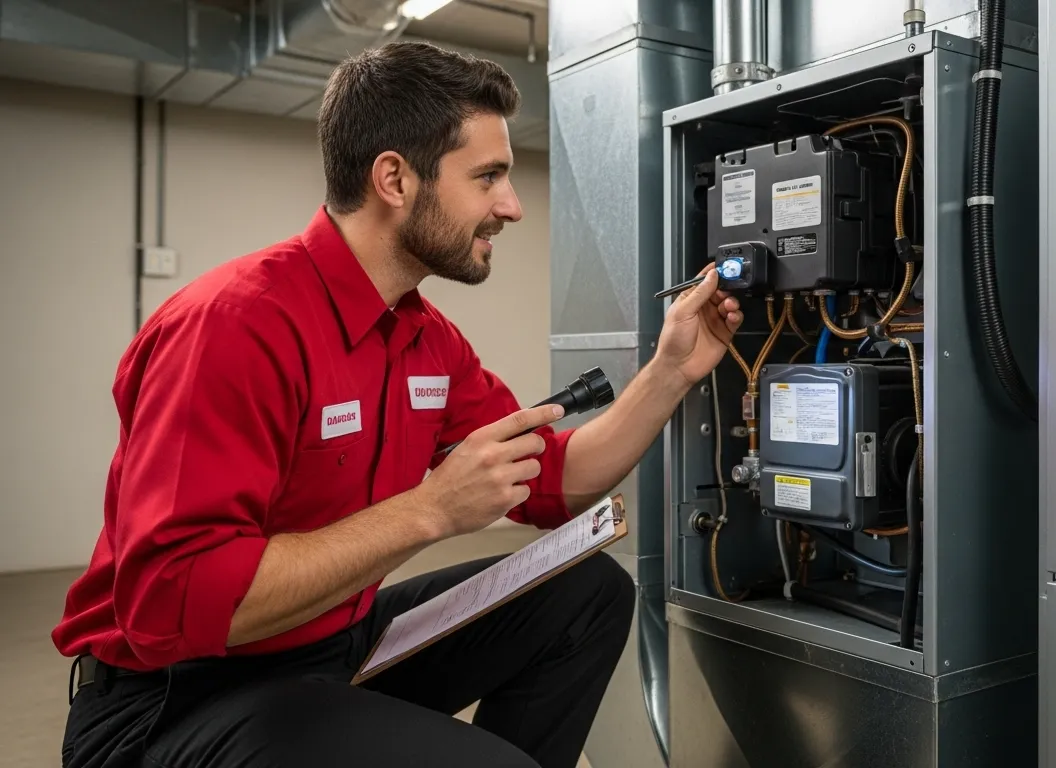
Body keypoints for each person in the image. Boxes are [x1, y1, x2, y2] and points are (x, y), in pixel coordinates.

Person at [54, 40, 741, 768]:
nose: (510, 206)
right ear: (394, 179)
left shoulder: (423, 337)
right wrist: (433, 509)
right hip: (173, 701)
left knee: (589, 590)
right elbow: (176, 602)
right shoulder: (235, 325)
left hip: (329, 645)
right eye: (488, 178)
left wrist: (671, 370)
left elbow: (548, 482)